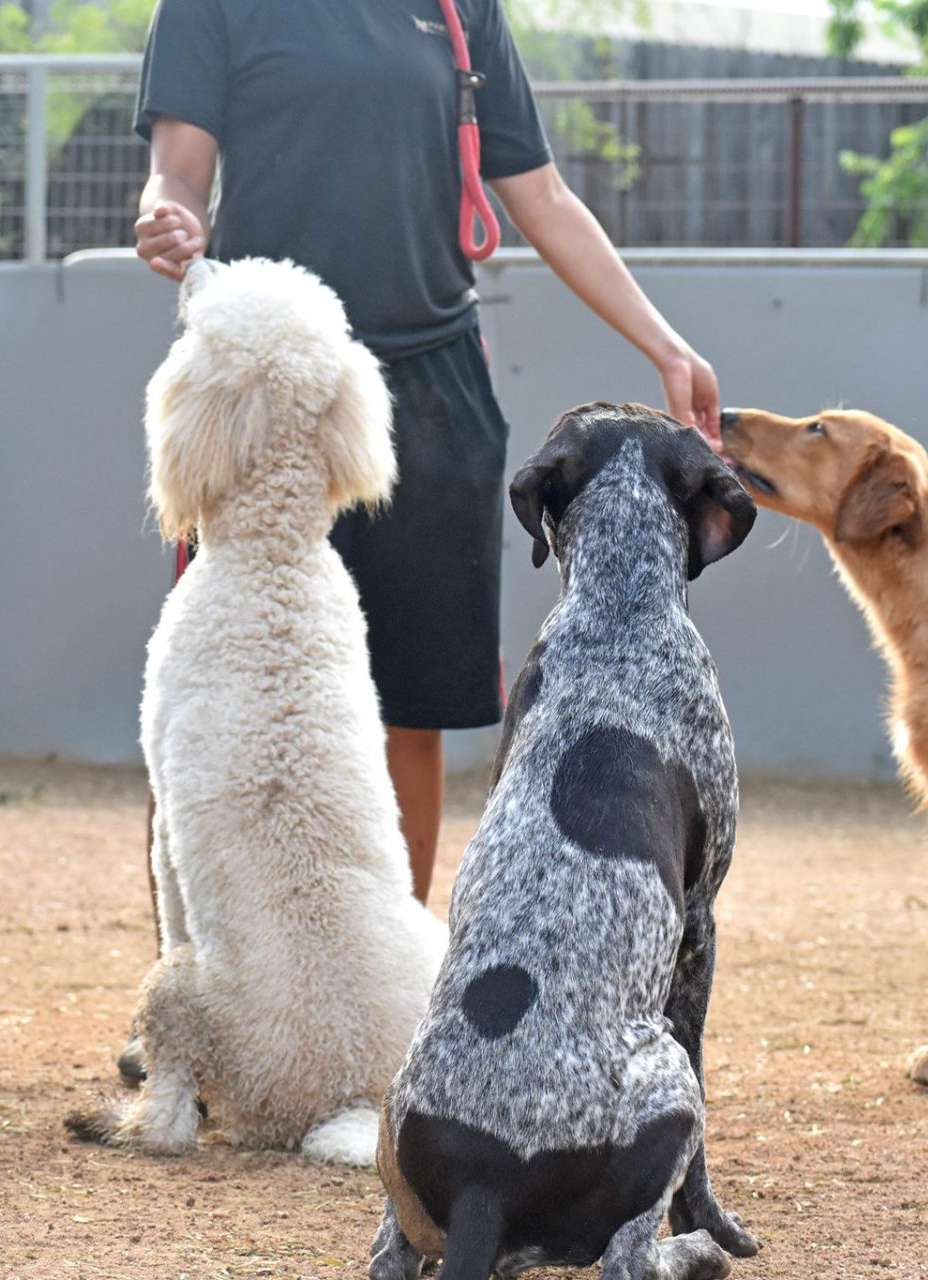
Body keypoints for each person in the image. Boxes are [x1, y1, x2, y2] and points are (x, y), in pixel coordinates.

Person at [132, 0, 720, 905]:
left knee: (415, 704)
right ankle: (203, 985)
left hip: (434, 396)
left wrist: (669, 347)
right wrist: (167, 216)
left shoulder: (457, 8)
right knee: (223, 688)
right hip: (270, 383)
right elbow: (176, 172)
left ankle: (393, 984)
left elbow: (544, 197)